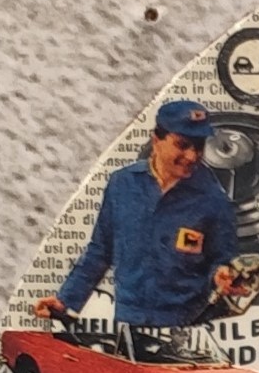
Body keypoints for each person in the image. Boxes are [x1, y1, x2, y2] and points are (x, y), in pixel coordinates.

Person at [36, 100, 241, 327]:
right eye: (182, 145)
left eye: (198, 146)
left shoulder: (214, 200)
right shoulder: (122, 184)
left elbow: (223, 260)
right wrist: (65, 300)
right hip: (128, 323)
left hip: (186, 326)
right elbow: (100, 251)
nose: (192, 156)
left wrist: (223, 275)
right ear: (156, 141)